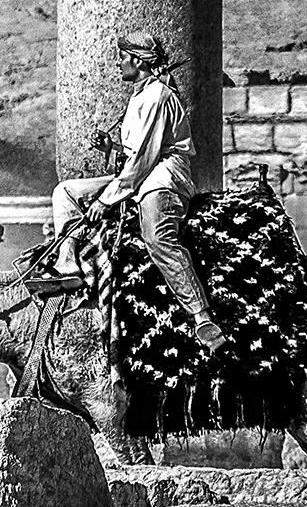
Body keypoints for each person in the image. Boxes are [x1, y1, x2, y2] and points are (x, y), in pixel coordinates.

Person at [30, 31, 226, 355]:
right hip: (137, 175)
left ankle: (202, 317)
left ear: (136, 60)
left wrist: (106, 200)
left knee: (158, 238)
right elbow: (133, 152)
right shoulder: (139, 97)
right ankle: (68, 266)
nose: (119, 64)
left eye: (123, 58)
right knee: (65, 192)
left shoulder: (159, 97)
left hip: (162, 178)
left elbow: (147, 157)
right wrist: (111, 147)